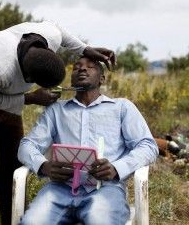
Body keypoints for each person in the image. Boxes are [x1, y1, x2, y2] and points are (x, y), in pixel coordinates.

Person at [0, 21, 116, 225]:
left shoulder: (48, 36)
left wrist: (85, 48)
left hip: (4, 93)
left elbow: (60, 30)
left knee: (12, 165)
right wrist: (29, 98)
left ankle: (14, 220)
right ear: (25, 77)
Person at [18, 56, 158, 225]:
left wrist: (116, 168)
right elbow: (27, 145)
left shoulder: (121, 107)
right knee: (33, 222)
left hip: (106, 189)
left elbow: (148, 146)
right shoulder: (56, 110)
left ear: (102, 78)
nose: (82, 69)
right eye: (77, 67)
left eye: (90, 67)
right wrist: (43, 166)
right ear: (71, 78)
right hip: (60, 188)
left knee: (99, 220)